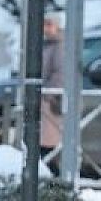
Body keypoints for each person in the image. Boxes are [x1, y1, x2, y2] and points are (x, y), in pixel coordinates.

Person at [40, 14, 64, 155]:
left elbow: (60, 73)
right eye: (45, 24)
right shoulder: (48, 45)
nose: (46, 29)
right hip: (48, 99)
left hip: (52, 101)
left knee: (50, 141)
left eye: (50, 24)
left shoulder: (59, 46)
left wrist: (48, 94)